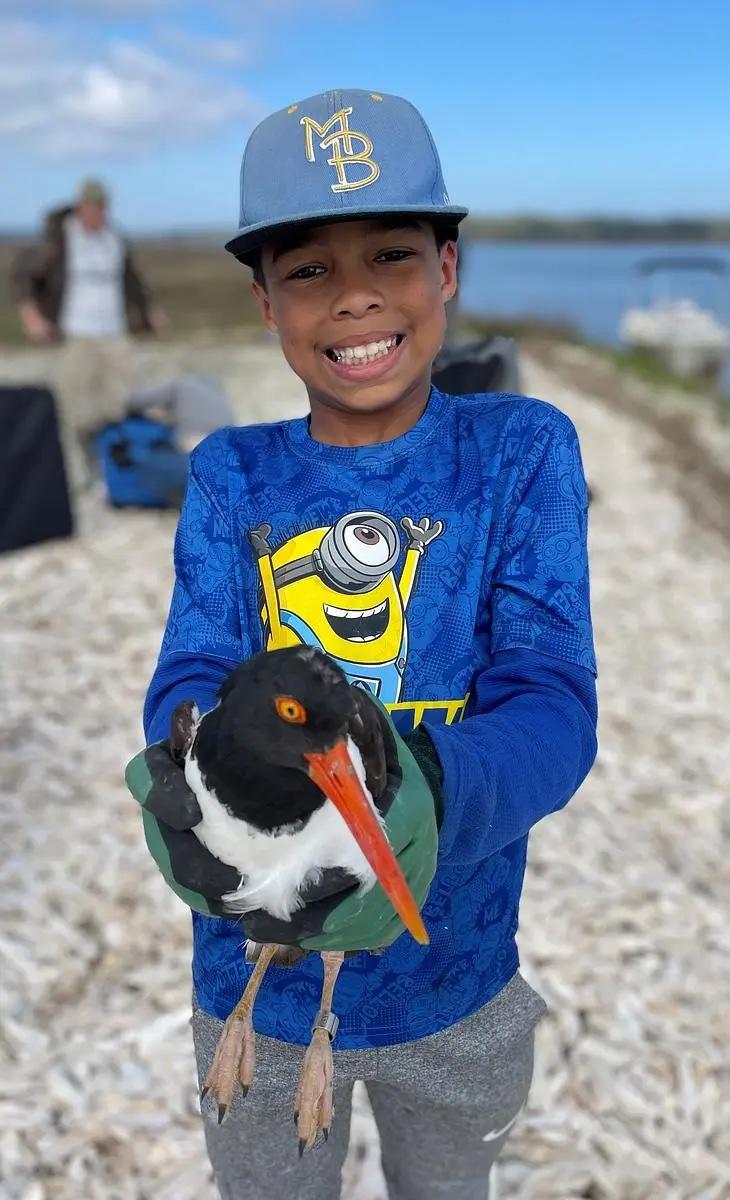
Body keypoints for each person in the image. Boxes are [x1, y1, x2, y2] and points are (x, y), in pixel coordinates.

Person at [129, 90, 598, 1199]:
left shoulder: (521, 452)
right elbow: (193, 669)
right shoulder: (229, 474)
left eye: (391, 253)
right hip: (256, 982)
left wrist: (419, 793)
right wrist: (186, 769)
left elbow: (551, 701)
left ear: (447, 269)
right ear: (264, 300)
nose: (354, 297)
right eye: (307, 270)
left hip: (459, 971)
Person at [12, 178, 166, 494]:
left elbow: (131, 279)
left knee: (126, 401)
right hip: (76, 333)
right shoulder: (58, 239)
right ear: (81, 206)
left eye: (102, 208)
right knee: (78, 408)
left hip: (114, 333)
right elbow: (23, 276)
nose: (98, 215)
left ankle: (122, 467)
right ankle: (85, 468)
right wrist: (32, 318)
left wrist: (149, 310)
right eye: (92, 208)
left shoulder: (113, 238)